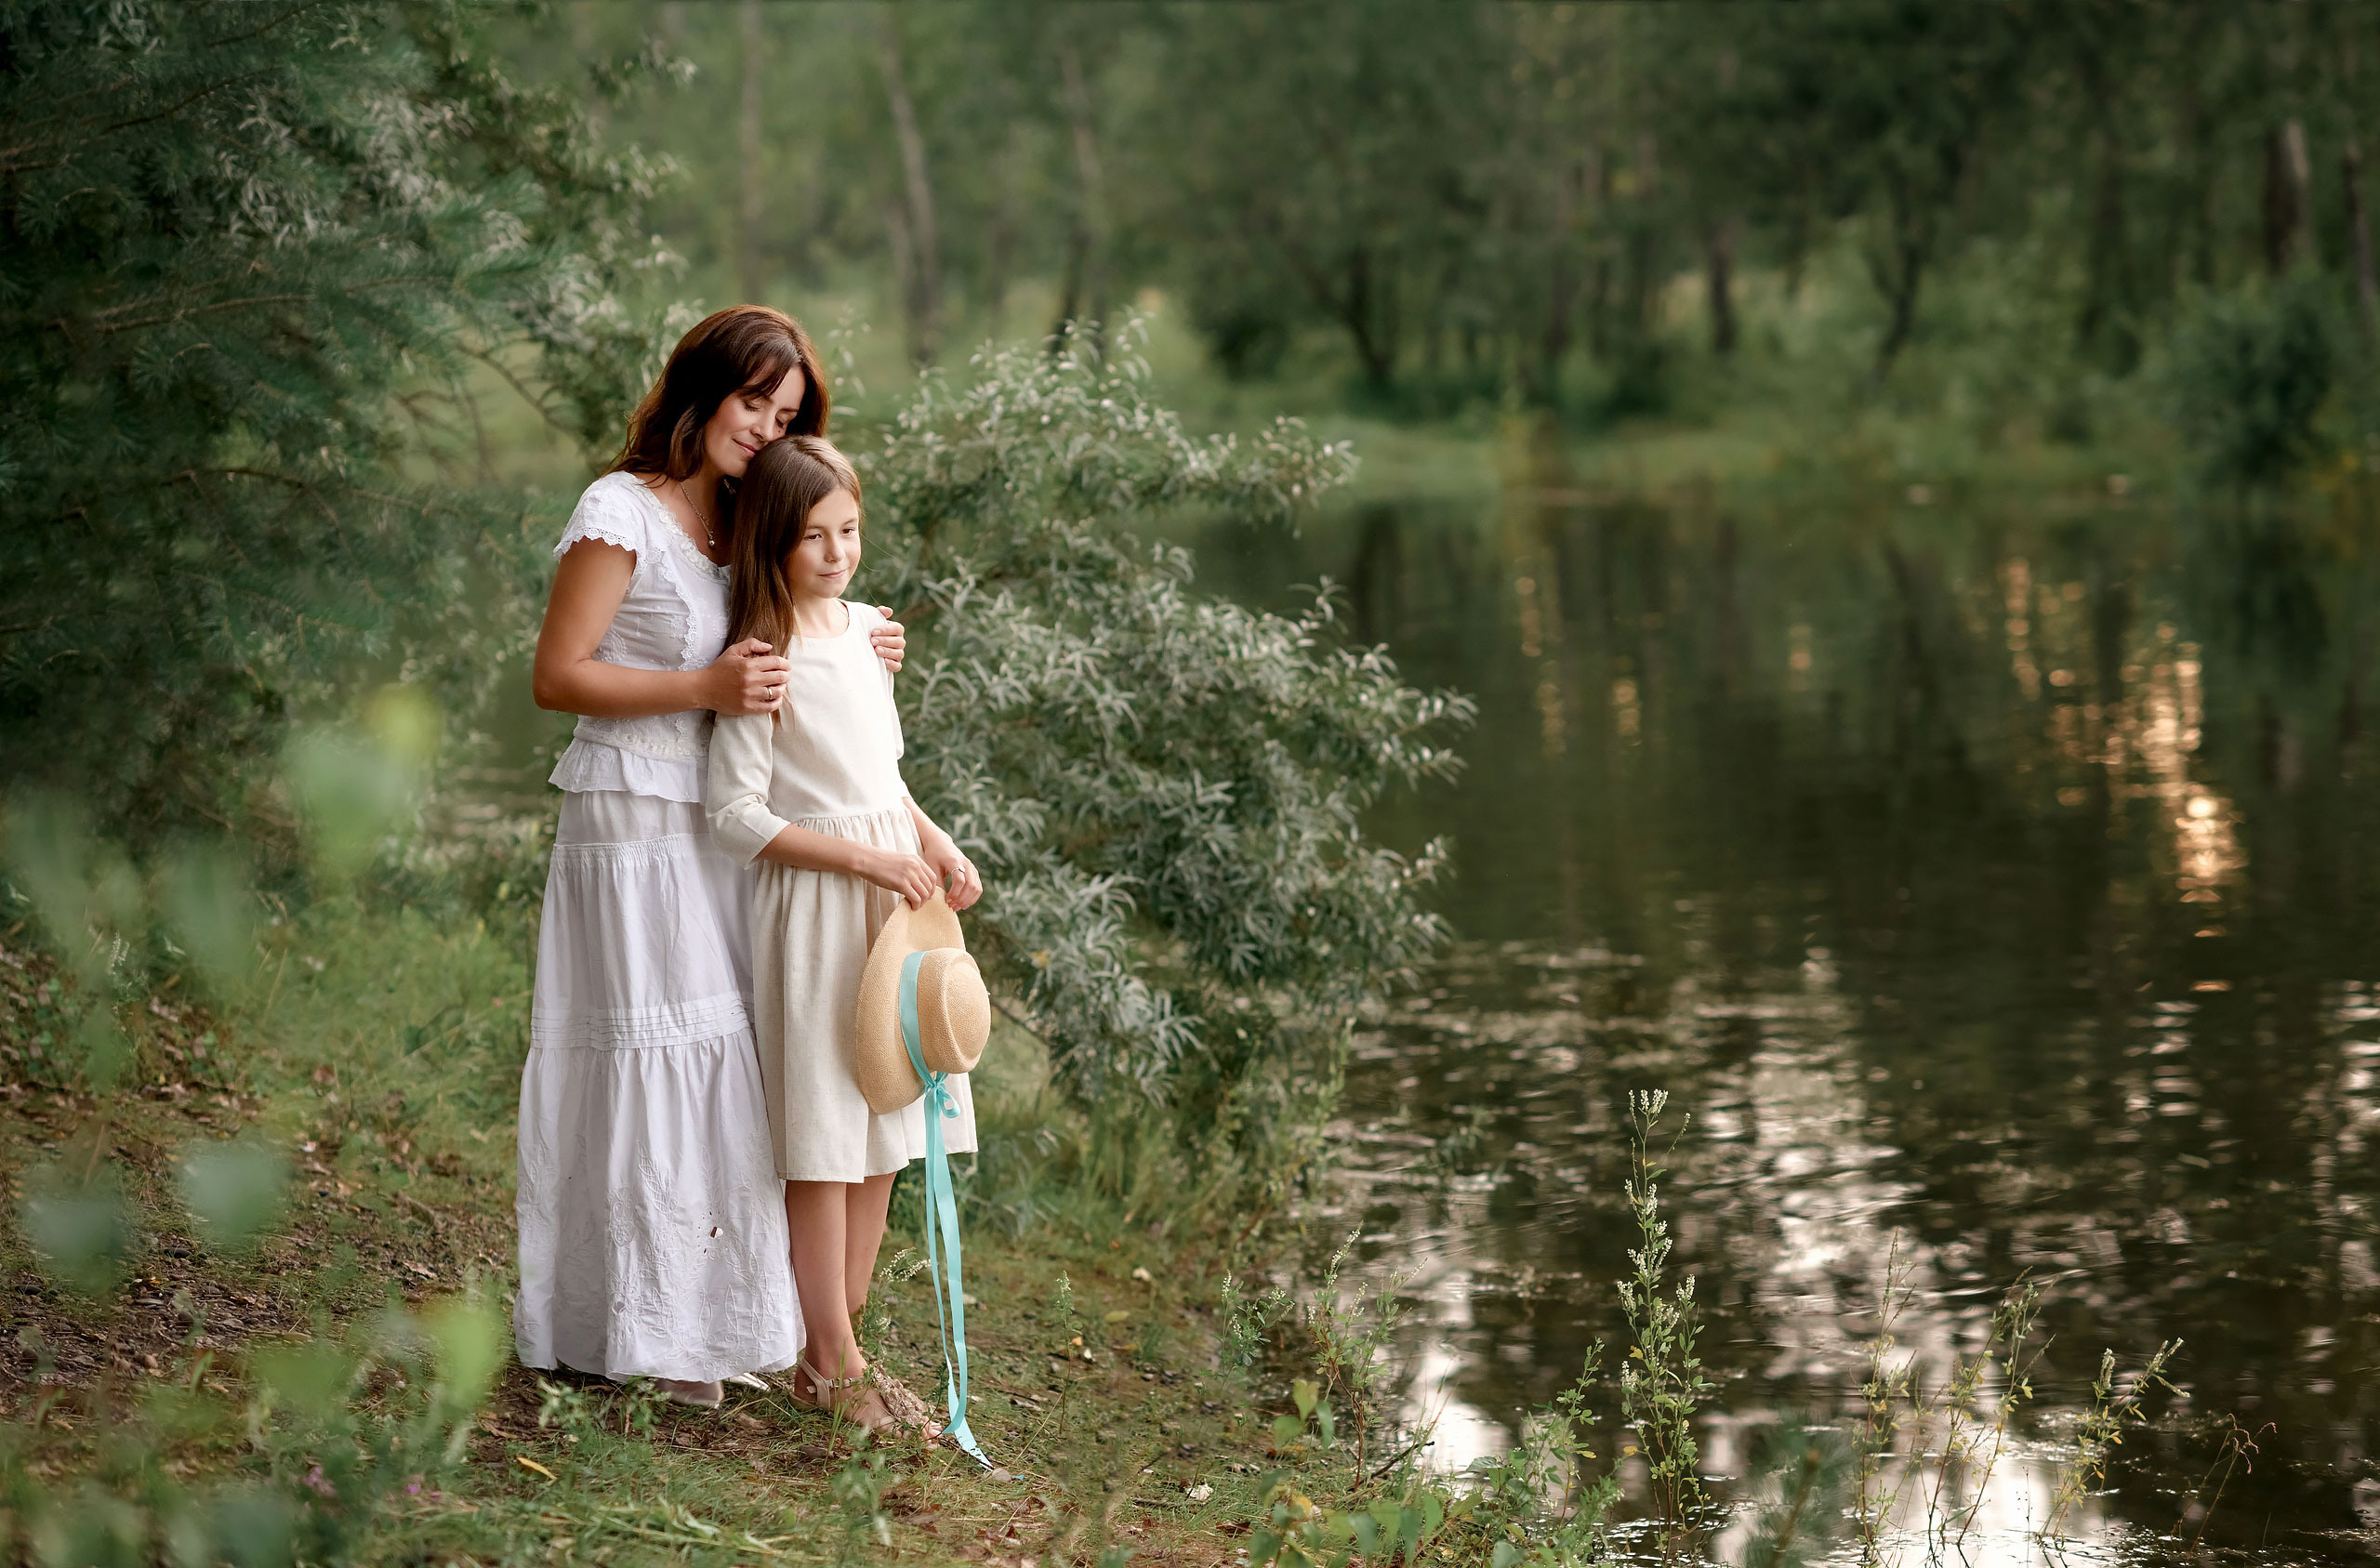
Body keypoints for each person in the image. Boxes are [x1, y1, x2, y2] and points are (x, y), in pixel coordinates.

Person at [514, 306, 905, 1408]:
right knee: (655, 1064)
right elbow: (558, 674)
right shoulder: (620, 511)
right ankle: (637, 1323)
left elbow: (793, 626)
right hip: (633, 820)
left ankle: (748, 1325)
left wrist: (861, 641)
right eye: (752, 403)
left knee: (735, 1074)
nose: (763, 429)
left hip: (731, 825)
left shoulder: (746, 520)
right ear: (700, 390)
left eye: (785, 415)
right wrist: (702, 687)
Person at [706, 435, 982, 1434]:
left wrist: (936, 842)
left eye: (850, 530)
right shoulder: (765, 660)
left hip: (899, 902)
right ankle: (835, 1357)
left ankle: (832, 1343)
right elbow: (734, 815)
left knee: (885, 1117)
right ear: (773, 542)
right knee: (825, 1132)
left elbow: (884, 780)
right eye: (814, 536)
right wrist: (866, 859)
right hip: (822, 906)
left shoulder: (866, 634)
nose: (836, 552)